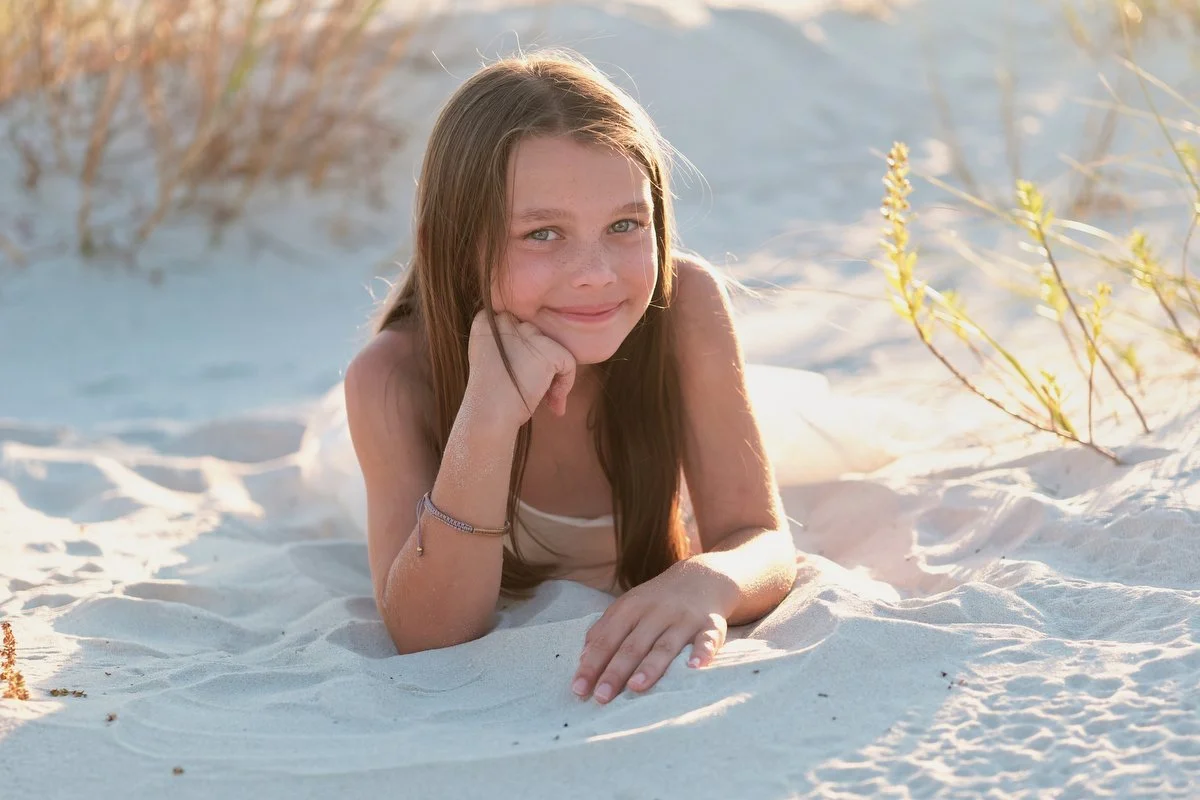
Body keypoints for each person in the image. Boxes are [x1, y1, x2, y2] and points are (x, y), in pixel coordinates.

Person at [338, 49, 873, 706]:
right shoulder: (394, 379)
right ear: (453, 243)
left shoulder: (685, 306)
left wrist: (707, 579)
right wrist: (486, 416)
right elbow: (430, 635)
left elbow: (759, 538)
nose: (596, 272)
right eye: (542, 234)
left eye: (624, 224)